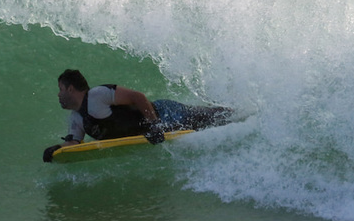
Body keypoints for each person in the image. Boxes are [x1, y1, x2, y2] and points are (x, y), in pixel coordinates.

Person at [43, 69, 232, 162]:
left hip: (165, 114)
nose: (58, 95)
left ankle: (241, 110)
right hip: (156, 128)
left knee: (216, 118)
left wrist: (155, 124)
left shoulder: (97, 95)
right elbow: (75, 143)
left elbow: (137, 97)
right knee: (208, 124)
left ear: (70, 88)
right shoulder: (76, 118)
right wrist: (56, 149)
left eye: (60, 89)